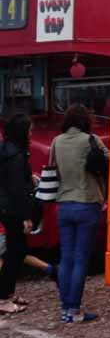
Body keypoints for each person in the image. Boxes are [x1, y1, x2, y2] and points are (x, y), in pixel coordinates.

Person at [52, 104, 108, 323]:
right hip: (87, 204)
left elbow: (53, 169)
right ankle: (74, 310)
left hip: (64, 205)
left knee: (65, 258)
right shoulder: (91, 140)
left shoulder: (57, 141)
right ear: (86, 120)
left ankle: (65, 308)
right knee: (80, 259)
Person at [0, 114, 34, 314]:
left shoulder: (6, 150)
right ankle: (3, 297)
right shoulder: (18, 156)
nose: (31, 133)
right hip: (13, 209)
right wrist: (26, 216)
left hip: (4, 206)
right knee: (15, 252)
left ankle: (8, 292)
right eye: (29, 130)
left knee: (16, 251)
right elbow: (17, 189)